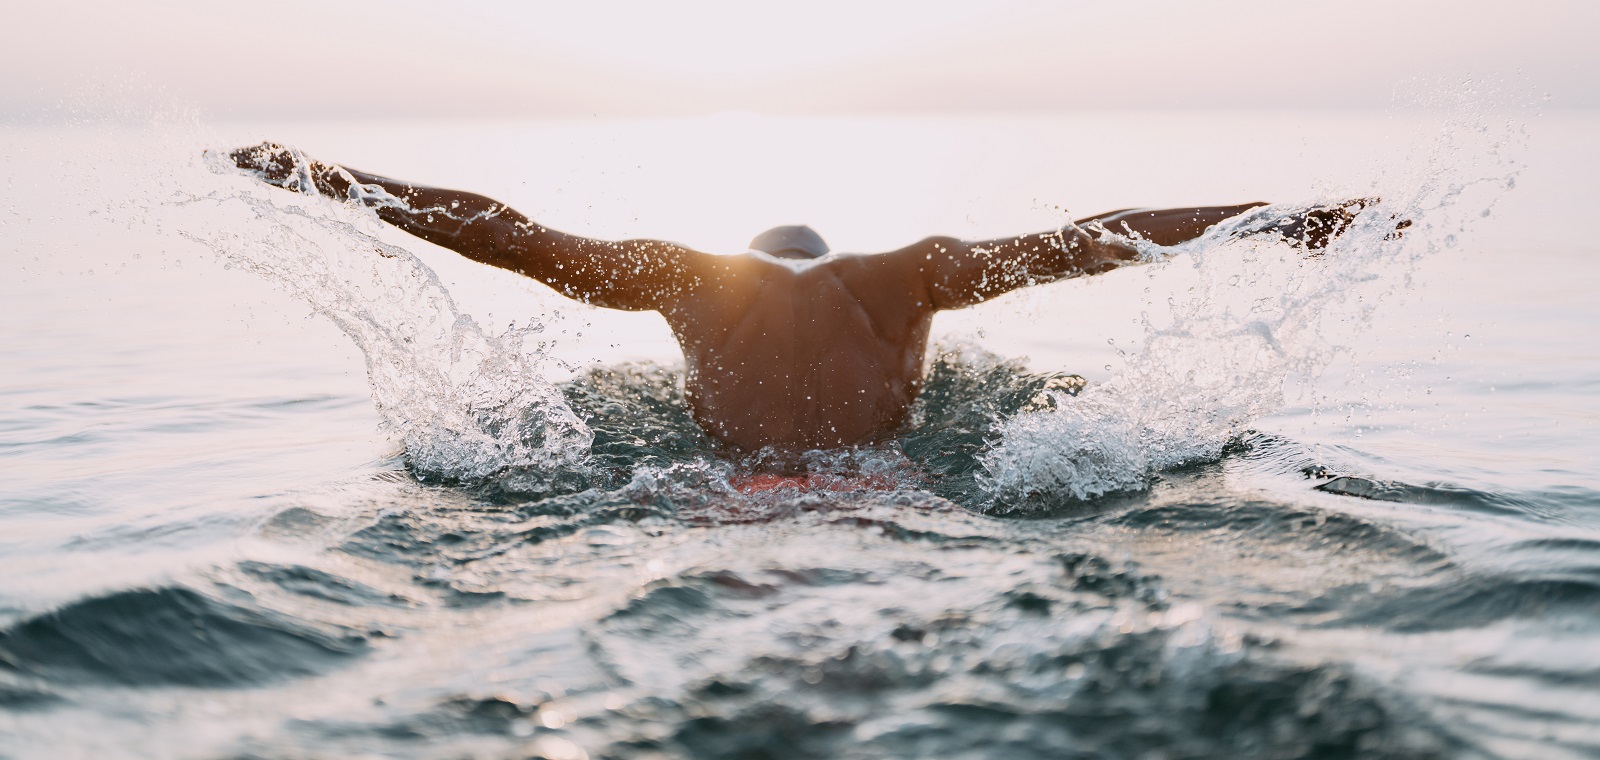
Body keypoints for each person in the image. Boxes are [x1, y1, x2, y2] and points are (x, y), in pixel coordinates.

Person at [224, 143, 1365, 455]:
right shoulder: (910, 276)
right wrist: (1273, 219)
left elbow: (510, 239)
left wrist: (336, 184)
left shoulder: (690, 283)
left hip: (728, 492)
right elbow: (1094, 243)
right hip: (889, 495)